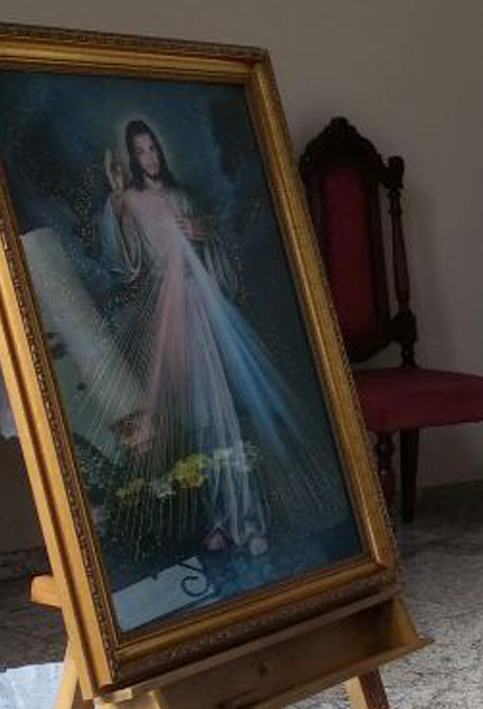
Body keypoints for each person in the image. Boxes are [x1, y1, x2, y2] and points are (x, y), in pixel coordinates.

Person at [94, 119, 347, 557]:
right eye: (141, 151)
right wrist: (115, 199)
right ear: (132, 158)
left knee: (224, 411)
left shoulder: (183, 197)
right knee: (192, 417)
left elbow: (220, 256)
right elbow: (125, 264)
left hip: (203, 308)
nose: (150, 158)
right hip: (167, 317)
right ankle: (215, 518)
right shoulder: (128, 201)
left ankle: (247, 519)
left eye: (153, 148)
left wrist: (204, 234)